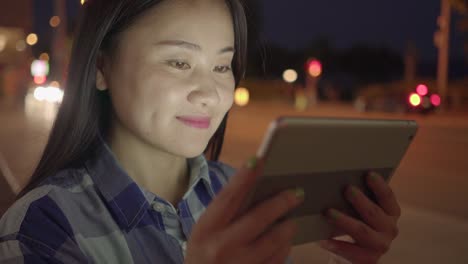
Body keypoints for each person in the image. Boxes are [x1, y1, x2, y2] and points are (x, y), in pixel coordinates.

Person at [0, 0, 401, 263]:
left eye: (222, 66)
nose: (210, 93)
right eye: (178, 62)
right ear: (102, 68)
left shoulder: (242, 195)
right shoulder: (42, 227)